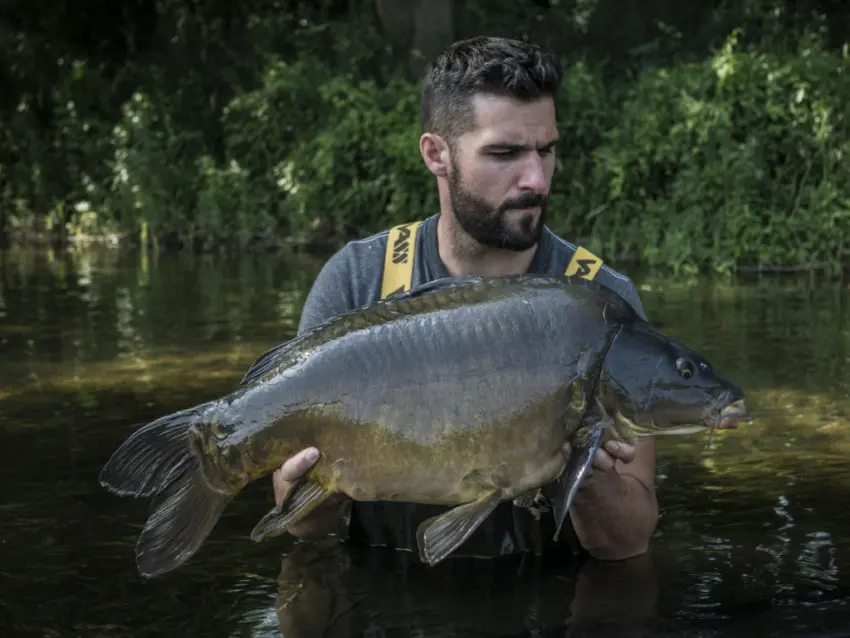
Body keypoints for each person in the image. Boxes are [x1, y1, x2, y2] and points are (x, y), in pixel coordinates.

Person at [271, 35, 658, 564]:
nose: (537, 179)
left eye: (547, 150)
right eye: (505, 154)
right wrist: (311, 493)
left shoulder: (599, 300)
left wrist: (586, 471)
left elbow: (631, 540)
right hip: (387, 594)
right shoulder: (359, 280)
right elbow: (305, 527)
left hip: (547, 601)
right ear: (437, 154)